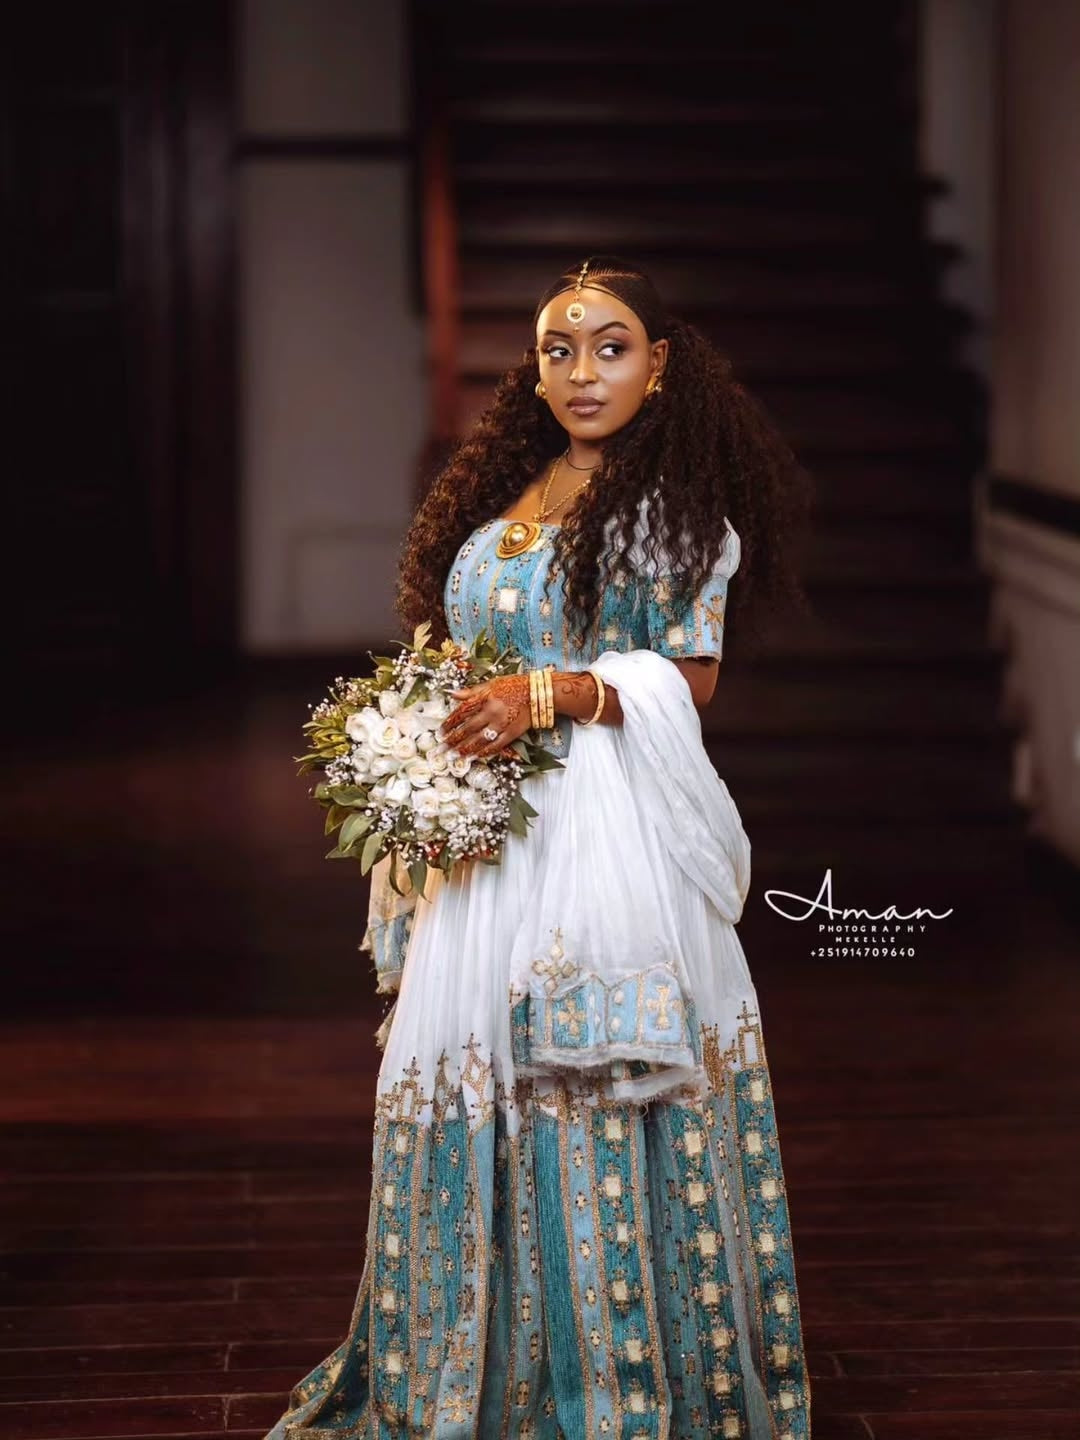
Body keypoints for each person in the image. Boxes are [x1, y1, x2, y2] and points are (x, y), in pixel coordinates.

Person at [266, 255, 813, 1439]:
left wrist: (550, 696)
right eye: (559, 348)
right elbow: (462, 657)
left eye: (610, 346)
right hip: (487, 839)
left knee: (580, 1080)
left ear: (659, 365)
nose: (581, 372)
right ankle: (476, 1374)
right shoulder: (506, 500)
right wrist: (415, 742)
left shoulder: (676, 515)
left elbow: (694, 677)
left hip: (603, 837)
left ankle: (617, 1385)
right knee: (474, 1068)